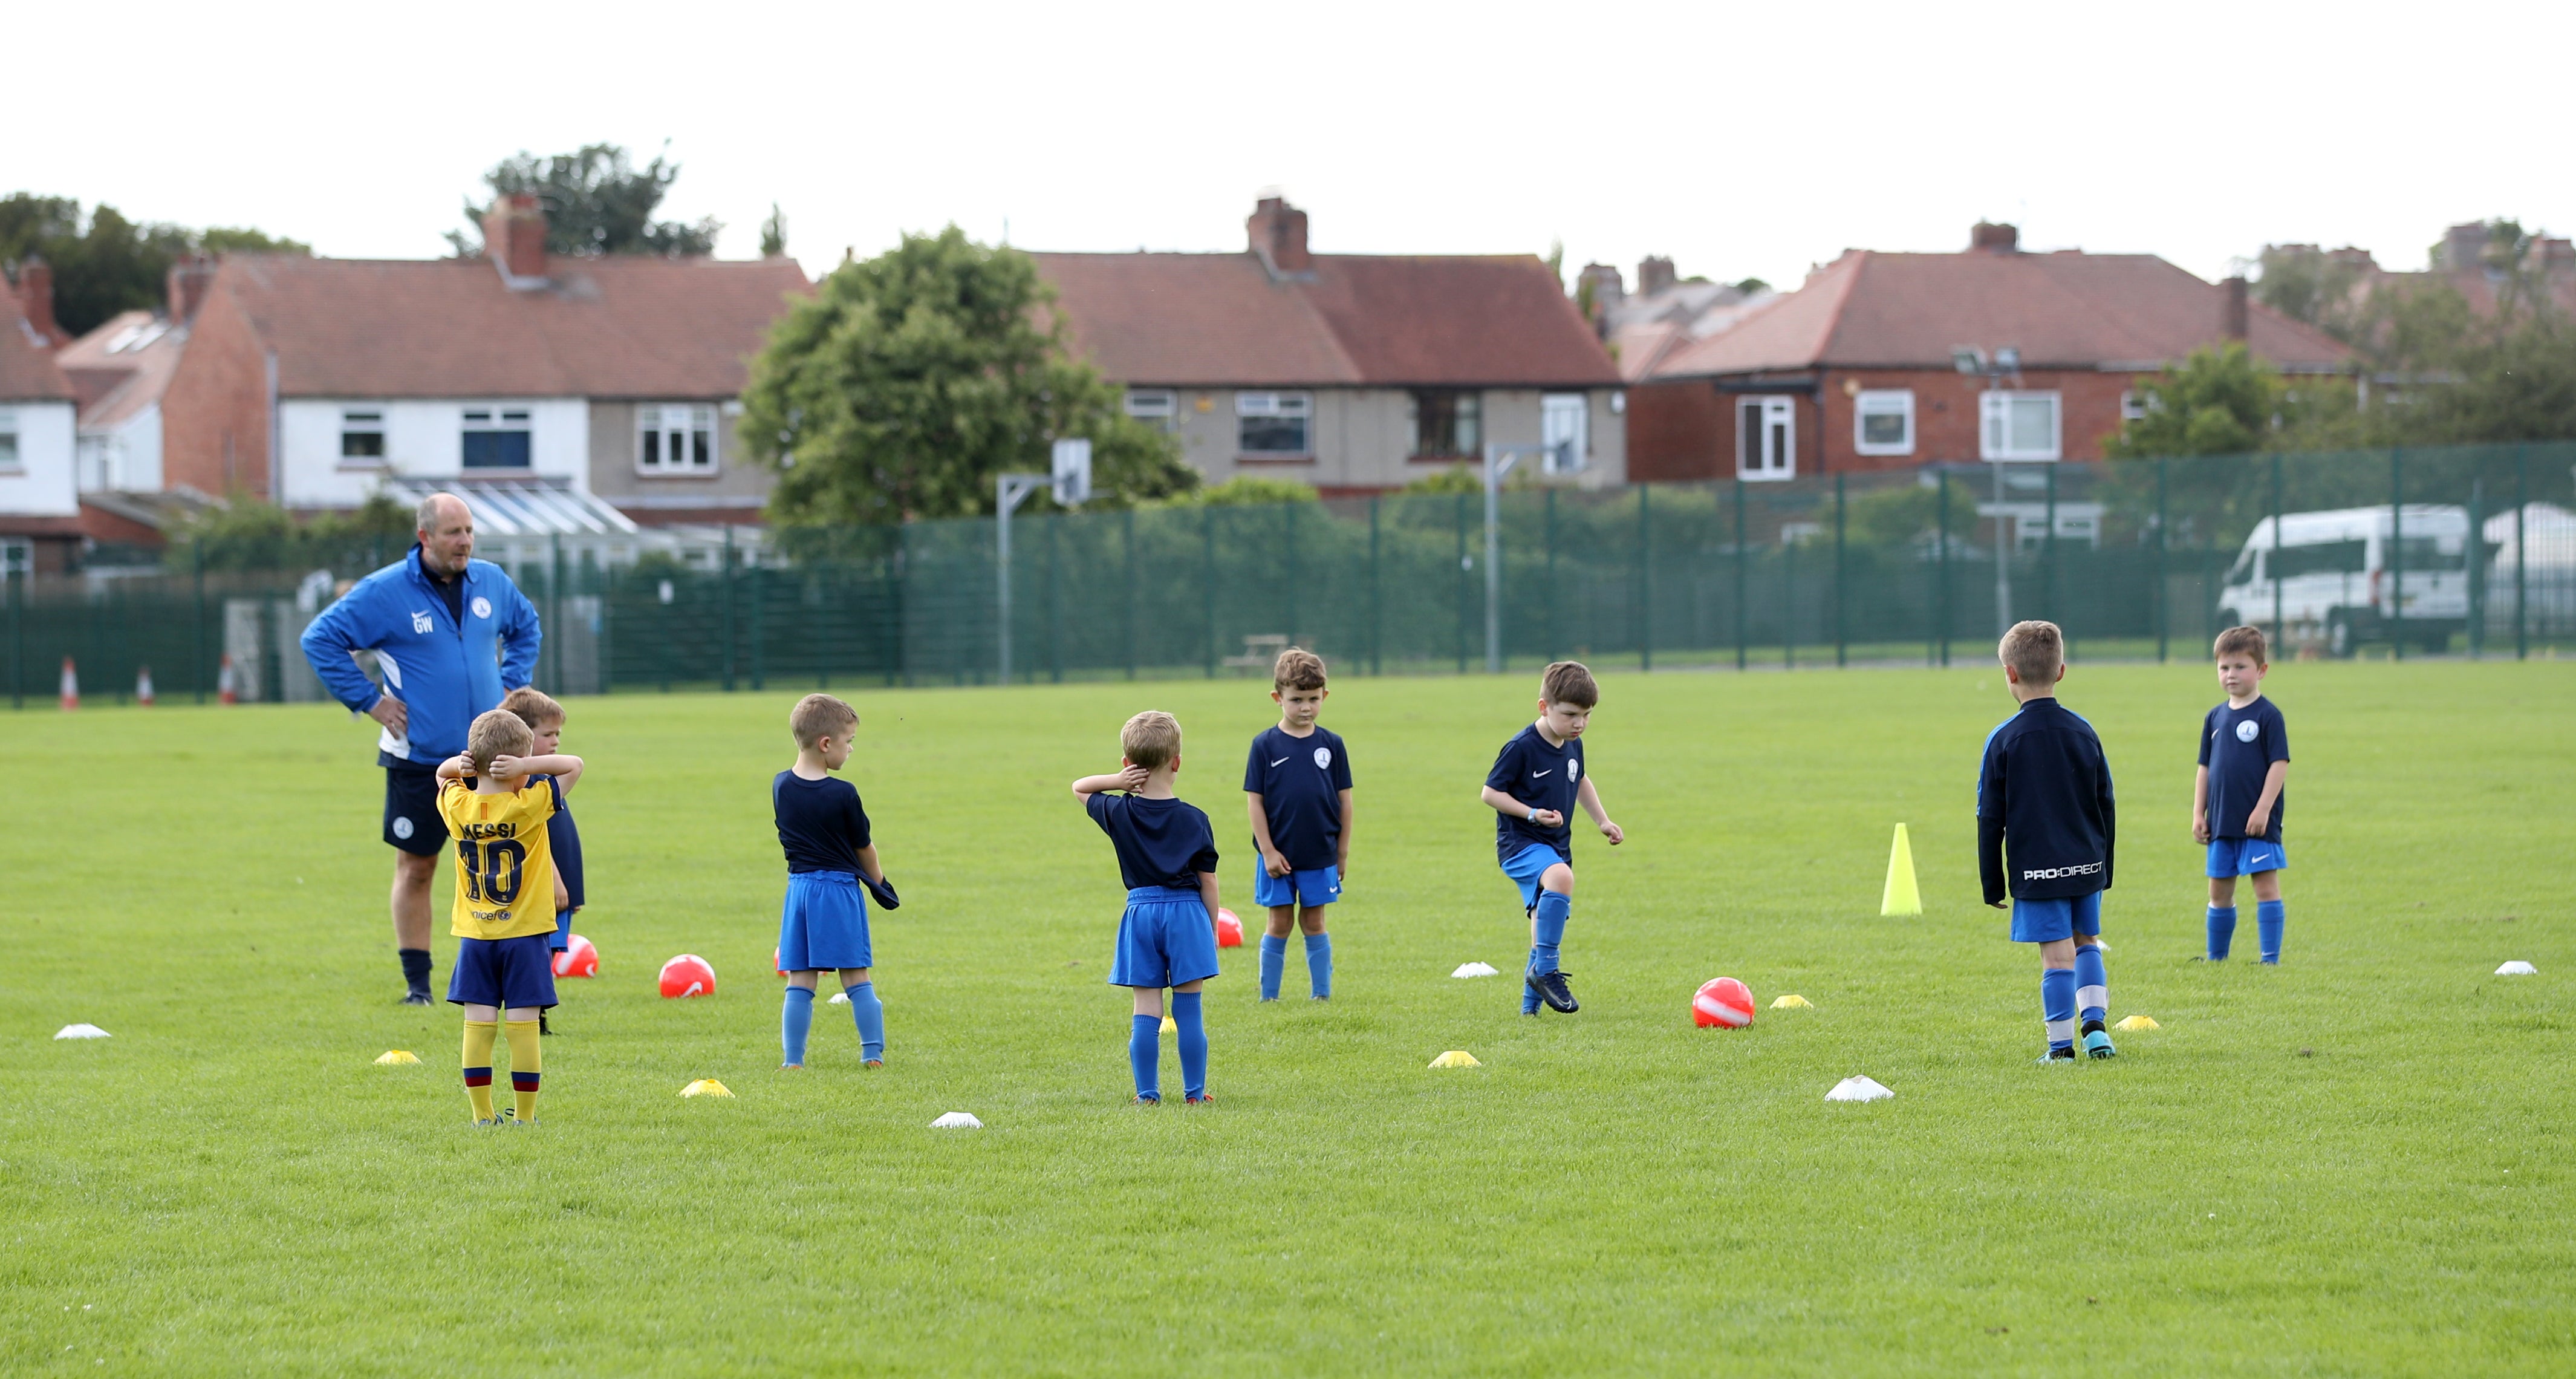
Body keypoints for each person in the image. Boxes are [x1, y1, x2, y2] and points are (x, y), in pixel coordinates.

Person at [301, 493, 542, 1005]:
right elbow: (319, 638)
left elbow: (527, 628)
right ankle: (418, 987)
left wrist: (512, 683)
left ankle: (508, 977)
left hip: (490, 758)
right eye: (454, 532)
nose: (466, 542)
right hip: (419, 757)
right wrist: (370, 701)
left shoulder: (492, 582)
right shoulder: (385, 592)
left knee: (499, 863)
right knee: (418, 867)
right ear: (425, 537)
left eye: (470, 531)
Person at [1977, 621, 2119, 1063]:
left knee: (2056, 958)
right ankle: (2096, 1031)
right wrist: (2104, 868)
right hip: (2085, 864)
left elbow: (1989, 818)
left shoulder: (2002, 740)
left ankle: (2061, 1049)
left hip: (2037, 869)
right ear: (2061, 671)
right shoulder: (2084, 732)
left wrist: (1992, 883)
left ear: (2010, 674)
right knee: (2086, 942)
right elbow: (2106, 801)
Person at [432, 709, 580, 1125]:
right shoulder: (530, 804)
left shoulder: (458, 804)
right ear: (517, 765)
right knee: (524, 1024)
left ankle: (482, 1116)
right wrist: (528, 765)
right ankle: (526, 1117)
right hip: (525, 933)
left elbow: (441, 777)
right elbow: (575, 765)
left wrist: (461, 765)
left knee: (477, 1024)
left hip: (476, 934)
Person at [1073, 711, 1221, 1105]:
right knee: (1188, 1007)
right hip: (1187, 914)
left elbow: (1080, 788)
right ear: (1177, 762)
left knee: (1146, 1009)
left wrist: (1117, 783)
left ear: (1127, 765)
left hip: (1141, 914)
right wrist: (1211, 927)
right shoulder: (1195, 819)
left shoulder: (1119, 811)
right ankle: (1193, 1095)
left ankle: (1147, 1095)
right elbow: (1208, 881)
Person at [1480, 660, 1624, 1017]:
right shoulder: (1522, 747)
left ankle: (1530, 1011)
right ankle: (1546, 970)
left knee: (1541, 925)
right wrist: (1531, 813)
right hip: (1520, 843)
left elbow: (1580, 780)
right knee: (1562, 878)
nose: (1580, 723)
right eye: (1571, 714)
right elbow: (1490, 793)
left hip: (1554, 845)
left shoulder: (1574, 744)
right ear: (1544, 707)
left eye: (1587, 715)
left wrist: (1603, 821)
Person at [773, 694, 897, 1070]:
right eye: (850, 742)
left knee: (800, 979)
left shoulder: (781, 785)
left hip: (800, 892)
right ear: (826, 744)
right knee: (856, 976)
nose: (851, 750)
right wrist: (881, 885)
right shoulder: (844, 794)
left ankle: (793, 1061)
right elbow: (864, 848)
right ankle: (872, 1053)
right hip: (839, 892)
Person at [1243, 648, 1353, 1002]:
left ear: (1325, 696)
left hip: (1320, 854)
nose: (1306, 707)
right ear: (1278, 698)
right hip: (1278, 858)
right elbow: (1255, 802)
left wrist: (1341, 853)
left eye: (1313, 699)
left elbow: (1344, 802)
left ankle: (1321, 995)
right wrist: (1269, 850)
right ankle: (1269, 997)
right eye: (1296, 700)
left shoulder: (1333, 745)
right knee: (1279, 924)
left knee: (1314, 923)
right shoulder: (1264, 745)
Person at [2195, 626, 2291, 963]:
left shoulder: (2269, 716)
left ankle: (2269, 959)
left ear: (2261, 670)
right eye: (2224, 668)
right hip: (2221, 820)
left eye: (2240, 667)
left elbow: (2280, 764)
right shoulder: (2215, 717)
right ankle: (2216, 958)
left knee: (2265, 888)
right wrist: (2198, 813)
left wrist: (2263, 809)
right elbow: (2204, 768)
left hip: (2257, 822)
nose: (2231, 675)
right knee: (2219, 891)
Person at [499, 688, 584, 1034]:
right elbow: (528, 839)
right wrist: (555, 879)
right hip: (545, 879)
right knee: (535, 949)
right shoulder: (519, 786)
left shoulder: (541, 780)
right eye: (548, 735)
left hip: (561, 872)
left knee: (548, 948)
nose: (556, 742)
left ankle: (535, 1014)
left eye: (558, 735)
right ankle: (531, 1016)